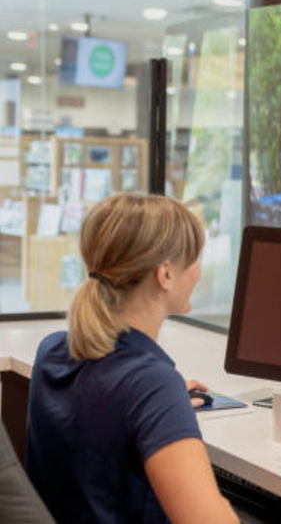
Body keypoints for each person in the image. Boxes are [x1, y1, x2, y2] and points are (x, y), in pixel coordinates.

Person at [26, 193, 239, 524]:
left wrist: (156, 404)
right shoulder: (150, 383)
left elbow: (102, 401)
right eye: (194, 259)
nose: (198, 270)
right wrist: (156, 396)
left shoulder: (52, 349)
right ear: (165, 274)